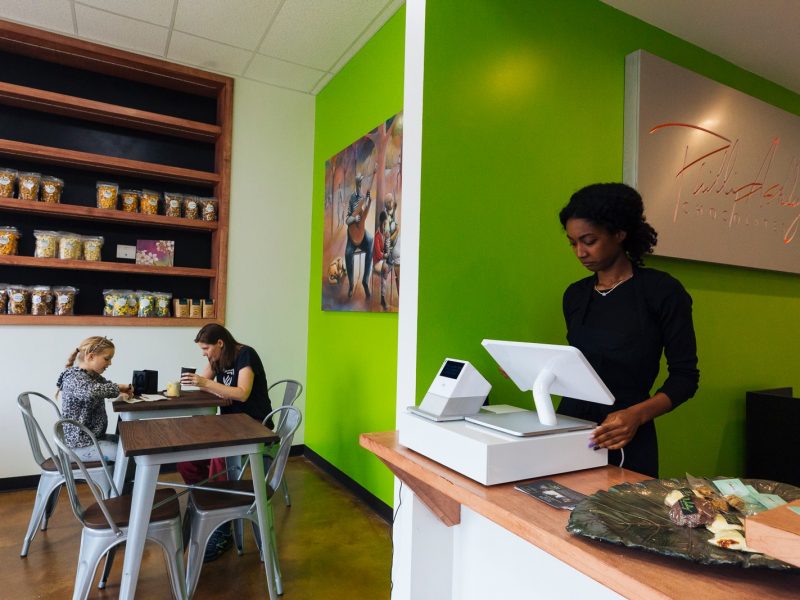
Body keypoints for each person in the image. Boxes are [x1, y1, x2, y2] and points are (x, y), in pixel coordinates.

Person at [558, 182, 699, 478]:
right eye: (572, 242)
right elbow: (582, 366)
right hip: (568, 430)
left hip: (626, 436)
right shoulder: (575, 296)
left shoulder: (662, 292)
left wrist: (637, 415)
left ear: (619, 233)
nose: (580, 252)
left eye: (589, 240)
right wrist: (533, 370)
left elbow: (685, 377)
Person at [179, 323, 273, 561]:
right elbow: (203, 385)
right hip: (229, 424)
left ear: (220, 343)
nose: (204, 353)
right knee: (187, 459)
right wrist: (190, 383)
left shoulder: (245, 354)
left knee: (218, 458)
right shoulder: (216, 358)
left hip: (253, 423)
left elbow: (242, 393)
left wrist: (206, 383)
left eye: (205, 348)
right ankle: (207, 503)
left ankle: (221, 526)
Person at [56, 336, 132, 462]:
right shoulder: (73, 378)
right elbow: (92, 391)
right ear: (91, 357)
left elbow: (105, 387)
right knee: (127, 452)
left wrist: (121, 390)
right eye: (107, 359)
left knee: (134, 445)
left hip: (93, 438)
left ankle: (125, 481)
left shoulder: (91, 376)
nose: (110, 363)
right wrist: (119, 387)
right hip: (79, 445)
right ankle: (120, 482)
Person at [345, 173, 373, 299]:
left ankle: (365, 281)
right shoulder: (352, 199)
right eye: (359, 183)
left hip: (361, 231)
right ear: (356, 184)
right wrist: (353, 218)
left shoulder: (363, 196)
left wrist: (368, 201)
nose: (360, 185)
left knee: (371, 241)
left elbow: (365, 211)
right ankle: (351, 284)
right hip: (352, 234)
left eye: (361, 183)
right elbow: (347, 220)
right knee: (347, 253)